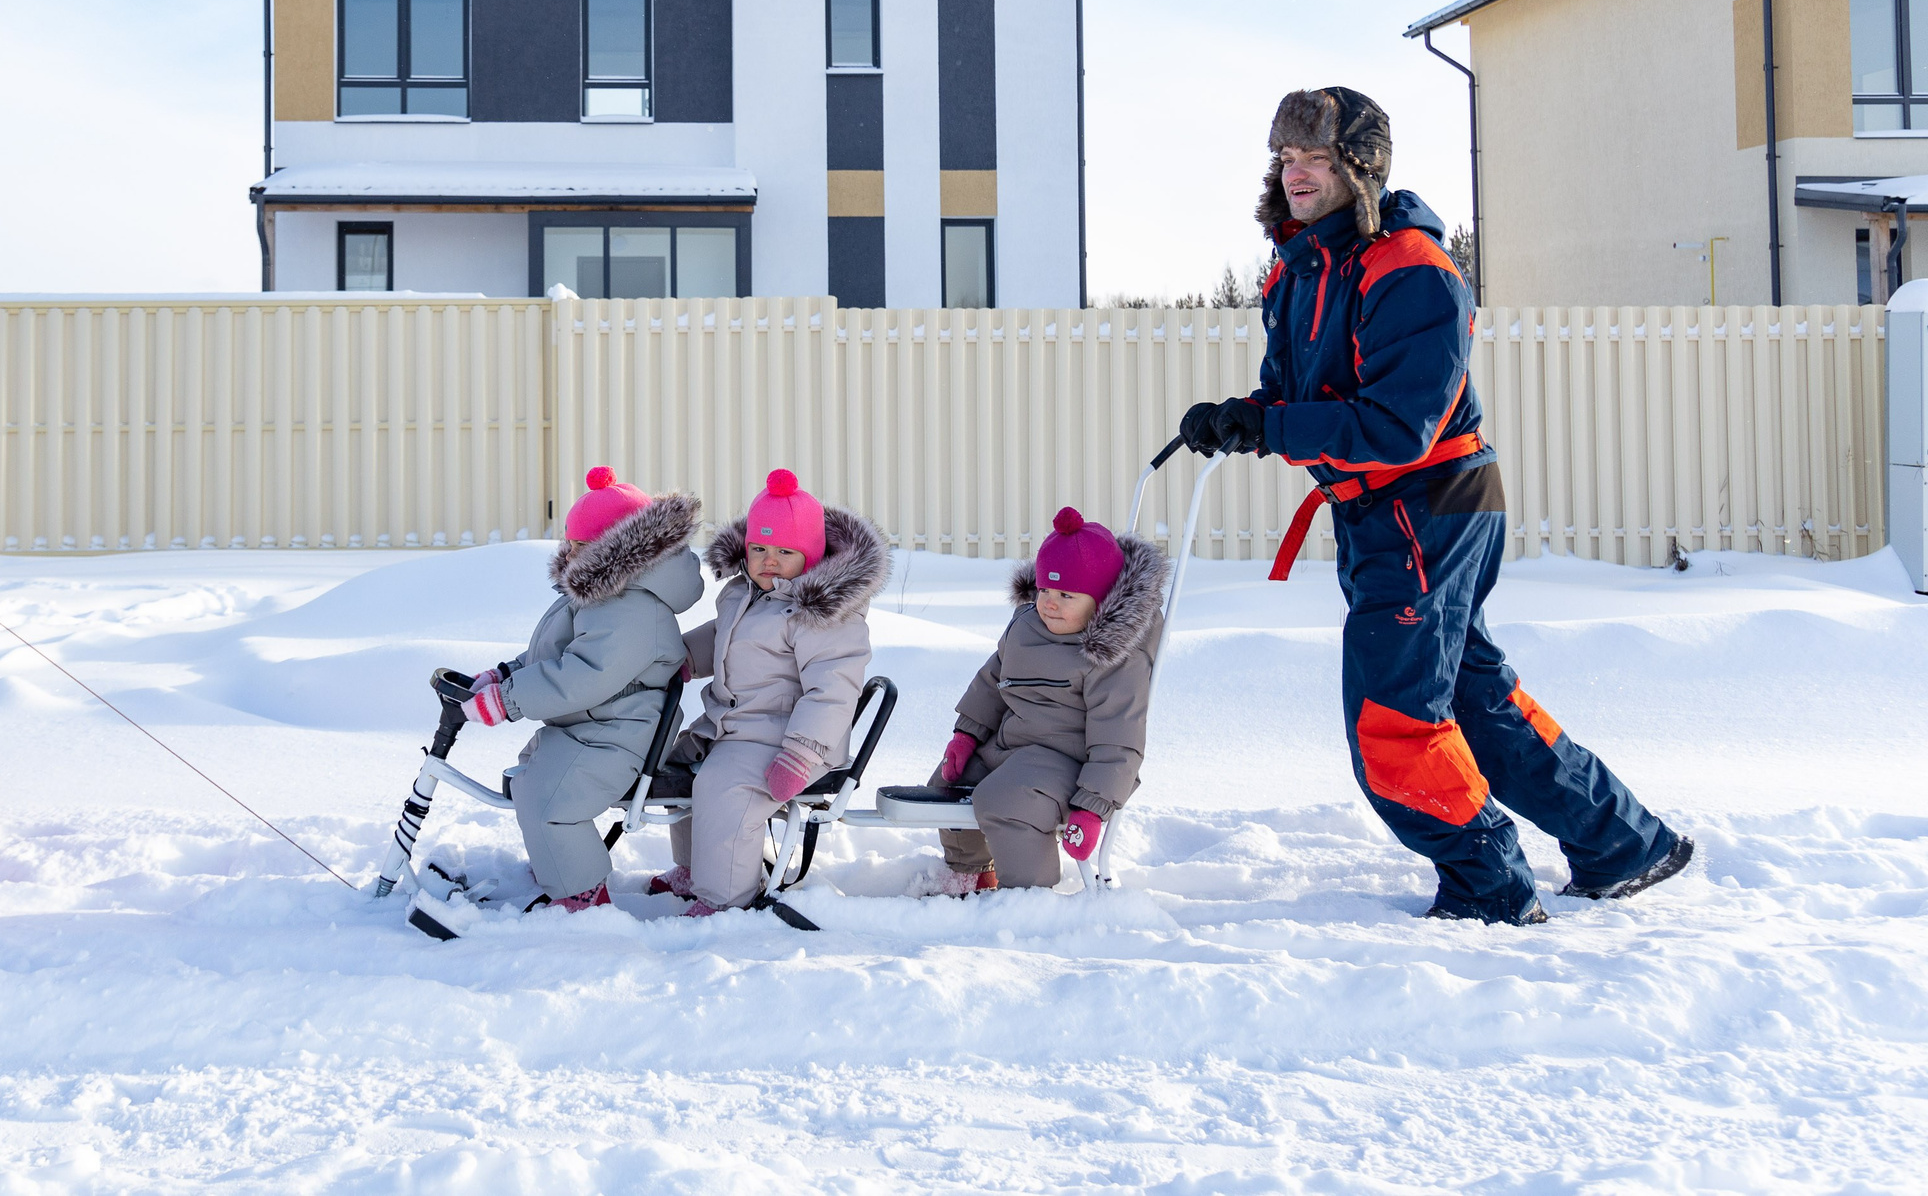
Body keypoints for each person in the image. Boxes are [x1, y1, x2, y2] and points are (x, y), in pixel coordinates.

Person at [1182, 86, 1689, 924]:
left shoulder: (1411, 269)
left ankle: (1489, 883)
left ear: (1361, 167)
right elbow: (1296, 394)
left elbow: (1397, 423)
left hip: (1427, 505)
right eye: (1287, 157)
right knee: (1468, 697)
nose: (1297, 173)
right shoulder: (1300, 267)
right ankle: (1620, 841)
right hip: (1387, 512)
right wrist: (1243, 418)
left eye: (1317, 157)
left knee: (1395, 718)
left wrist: (1273, 424)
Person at [890, 507, 1167, 895]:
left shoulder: (1113, 656)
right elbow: (991, 681)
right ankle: (969, 872)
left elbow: (1119, 739)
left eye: (1066, 595)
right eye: (1044, 590)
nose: (1049, 603)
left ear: (1101, 599)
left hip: (1066, 761)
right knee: (950, 785)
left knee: (1006, 801)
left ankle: (1027, 894)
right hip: (1009, 747)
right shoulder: (1027, 626)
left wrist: (1092, 807)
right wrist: (966, 735)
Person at [460, 467, 699, 912]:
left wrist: (509, 701)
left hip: (621, 733)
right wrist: (503, 676)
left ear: (621, 548)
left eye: (583, 546)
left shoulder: (632, 607)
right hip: (594, 725)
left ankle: (581, 892)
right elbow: (556, 652)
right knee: (531, 776)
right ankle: (557, 862)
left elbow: (584, 673)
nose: (572, 553)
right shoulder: (602, 592)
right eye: (570, 543)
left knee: (552, 801)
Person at [650, 470, 885, 914]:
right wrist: (680, 658)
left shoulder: (822, 613)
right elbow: (723, 636)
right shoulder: (744, 594)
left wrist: (800, 754)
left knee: (726, 790)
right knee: (681, 766)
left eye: (783, 551)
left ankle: (725, 899)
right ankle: (696, 868)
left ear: (811, 555)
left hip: (786, 741)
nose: (767, 560)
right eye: (758, 548)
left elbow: (833, 691)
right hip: (732, 726)